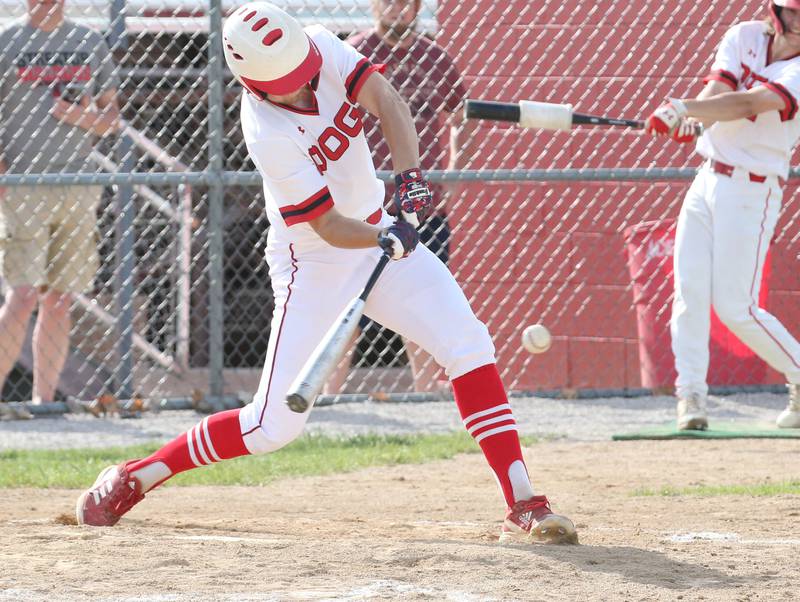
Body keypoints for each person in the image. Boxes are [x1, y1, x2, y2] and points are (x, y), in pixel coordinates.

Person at [74, 2, 577, 545]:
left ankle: (523, 499)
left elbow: (386, 100)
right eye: (285, 85)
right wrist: (383, 236)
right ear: (253, 84)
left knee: (469, 343)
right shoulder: (264, 129)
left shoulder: (320, 46)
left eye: (302, 75)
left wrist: (409, 179)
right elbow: (330, 226)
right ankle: (137, 475)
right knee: (272, 428)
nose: (302, 89)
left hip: (378, 231)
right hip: (312, 260)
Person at [646, 0, 800, 430]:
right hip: (707, 179)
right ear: (778, 12)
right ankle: (690, 396)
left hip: (753, 189)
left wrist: (685, 108)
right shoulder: (744, 36)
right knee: (689, 293)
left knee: (736, 307)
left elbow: (747, 103)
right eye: (795, 12)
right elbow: (719, 92)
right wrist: (692, 121)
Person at [323, 0, 475, 395]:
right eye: (389, 3)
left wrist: (455, 173)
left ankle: (424, 392)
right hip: (362, 208)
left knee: (422, 300)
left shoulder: (434, 58)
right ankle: (328, 396)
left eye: (407, 4)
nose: (398, 11)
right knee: (346, 302)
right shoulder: (354, 53)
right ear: (375, 7)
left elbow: (461, 117)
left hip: (422, 207)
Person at [0, 0, 120, 405]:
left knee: (59, 298)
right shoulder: (7, 40)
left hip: (77, 182)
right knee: (22, 296)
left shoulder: (88, 41)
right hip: (24, 183)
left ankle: (43, 402)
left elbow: (111, 119)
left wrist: (77, 116)